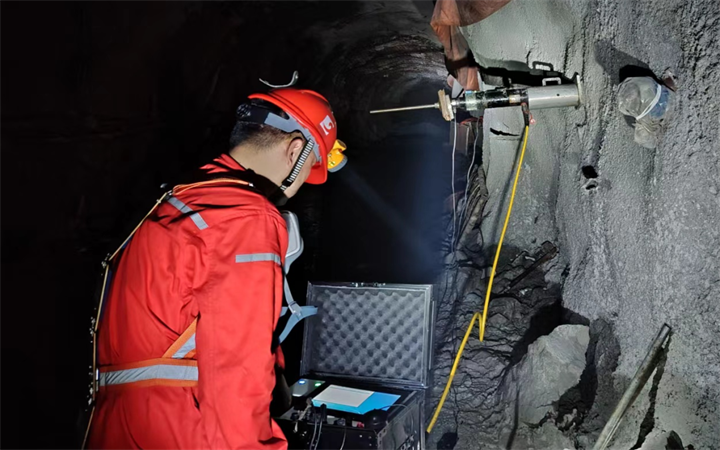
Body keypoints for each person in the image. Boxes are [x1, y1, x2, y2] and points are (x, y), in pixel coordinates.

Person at [88, 88, 346, 450]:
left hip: (117, 424)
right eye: (309, 169)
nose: (302, 184)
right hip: (181, 425)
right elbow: (237, 369)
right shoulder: (244, 217)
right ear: (294, 152)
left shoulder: (182, 199)